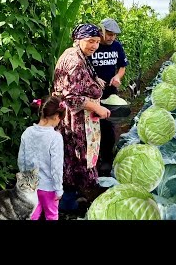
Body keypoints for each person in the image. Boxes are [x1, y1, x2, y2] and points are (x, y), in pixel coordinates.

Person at [53, 23, 111, 210]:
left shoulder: (76, 54)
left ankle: (71, 195)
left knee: (73, 157)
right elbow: (71, 97)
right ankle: (67, 202)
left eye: (97, 42)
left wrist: (95, 81)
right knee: (75, 157)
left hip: (78, 118)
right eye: (90, 41)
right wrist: (96, 106)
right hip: (75, 120)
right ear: (78, 40)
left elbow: (78, 82)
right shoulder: (75, 61)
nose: (94, 46)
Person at [17, 95, 66, 220]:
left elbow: (21, 161)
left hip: (31, 186)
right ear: (56, 116)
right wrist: (58, 189)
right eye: (60, 118)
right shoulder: (55, 138)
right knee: (51, 215)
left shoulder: (27, 132)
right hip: (49, 188)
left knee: (32, 215)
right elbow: (56, 167)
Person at [91, 18, 129, 175]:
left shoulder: (116, 46)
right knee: (92, 126)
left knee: (108, 124)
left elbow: (122, 66)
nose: (112, 38)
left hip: (110, 92)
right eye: (109, 34)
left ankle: (106, 160)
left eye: (114, 35)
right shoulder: (93, 45)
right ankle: (92, 160)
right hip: (92, 93)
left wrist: (118, 77)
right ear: (101, 31)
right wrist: (94, 79)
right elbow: (84, 66)